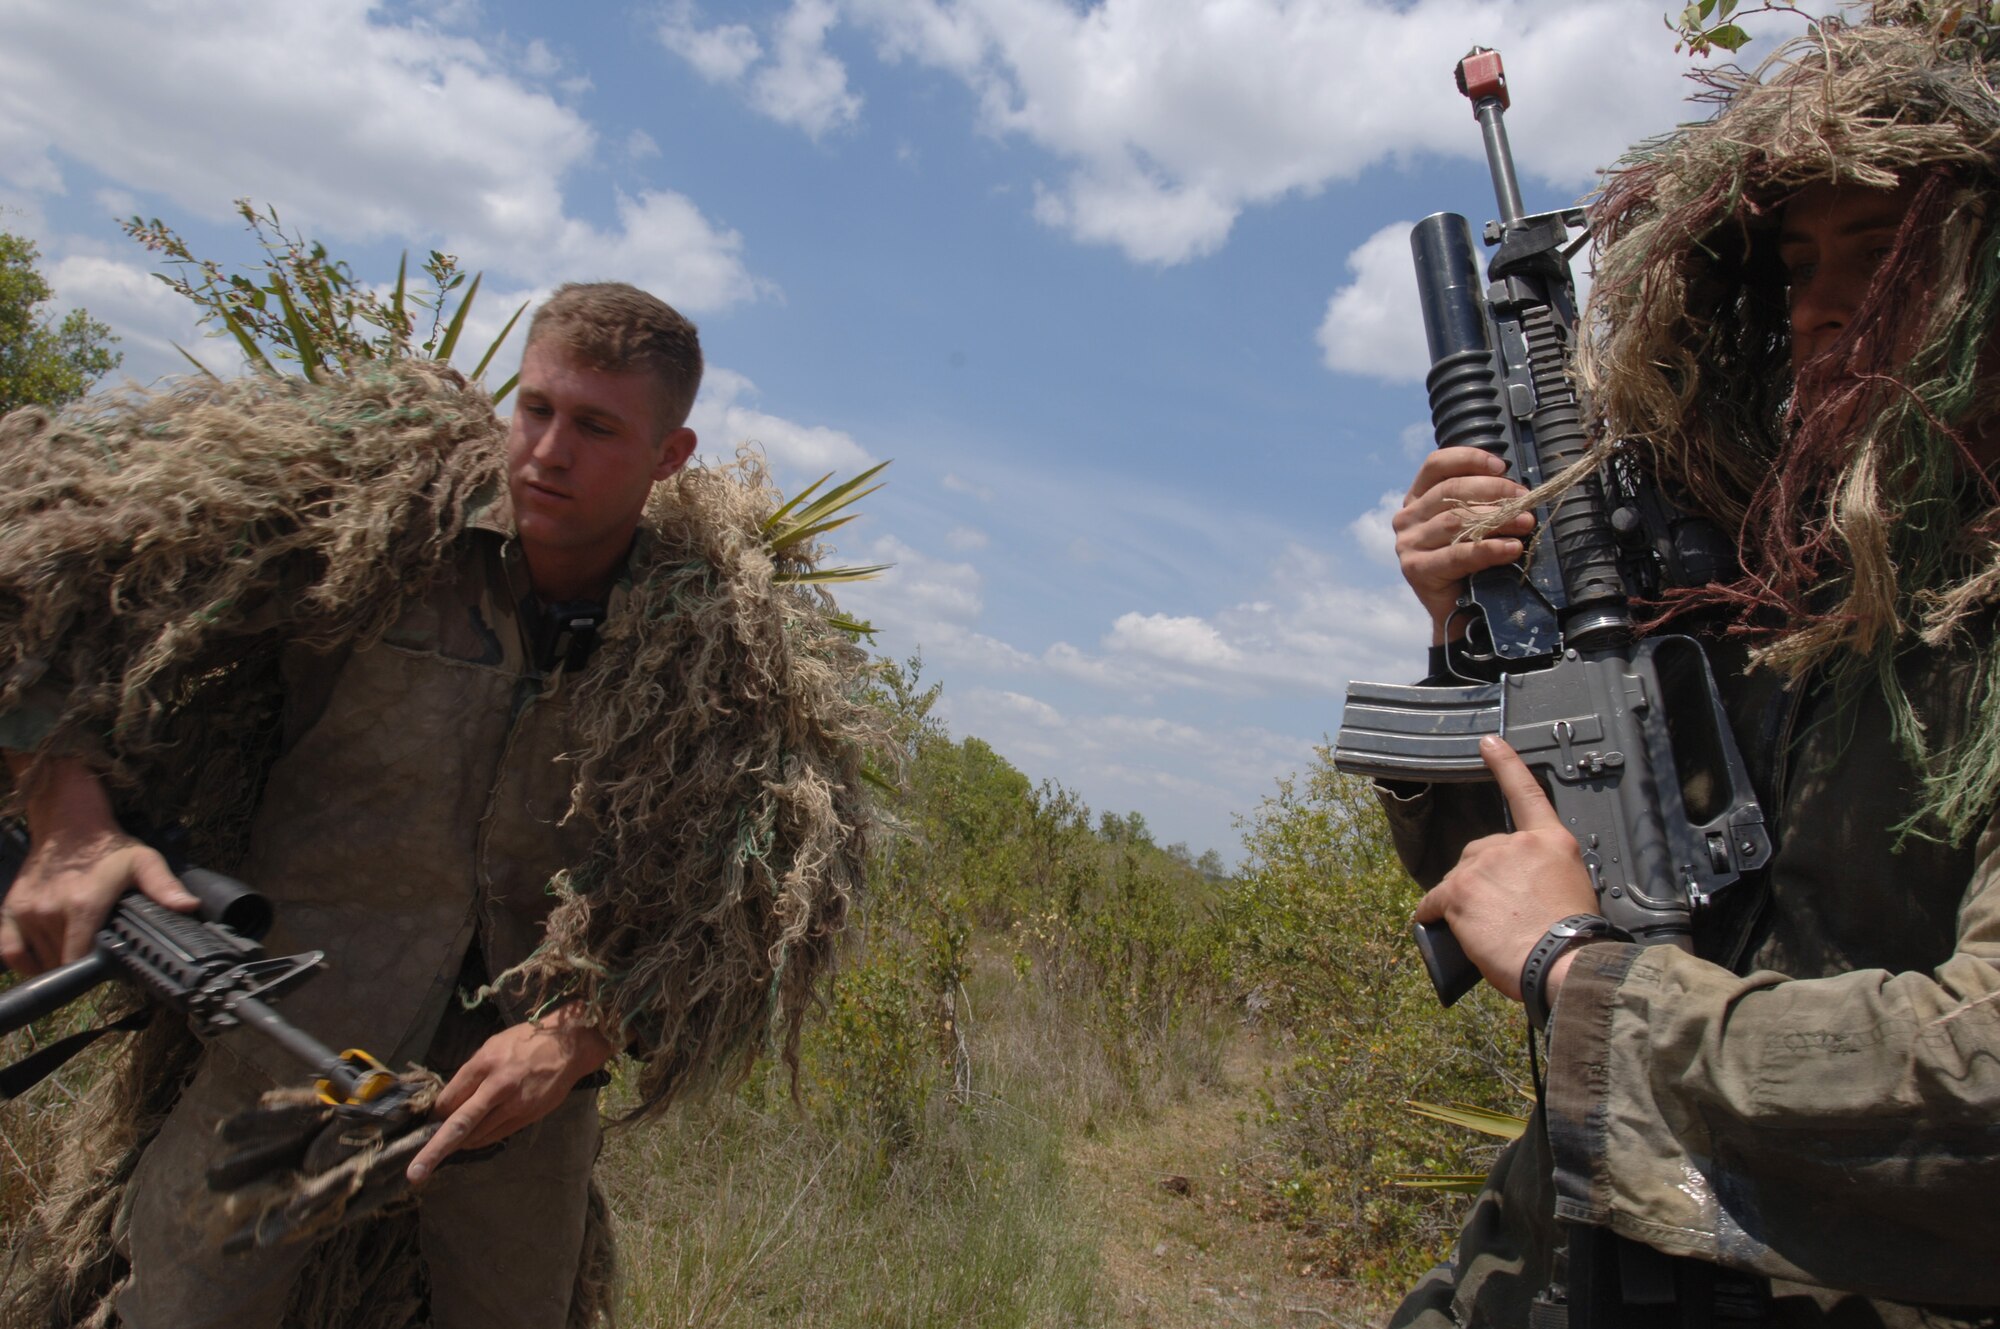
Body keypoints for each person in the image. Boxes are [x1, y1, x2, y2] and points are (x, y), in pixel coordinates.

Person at [0, 283, 876, 1327]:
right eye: (535, 408)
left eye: (595, 428)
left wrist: (576, 1035)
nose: (548, 450)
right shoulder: (373, 526)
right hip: (276, 1041)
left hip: (519, 1109)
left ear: (668, 457)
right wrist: (68, 816)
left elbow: (743, 900)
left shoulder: (710, 645)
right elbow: (62, 563)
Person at [1381, 8, 2000, 1327]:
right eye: (1797, 264)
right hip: (1548, 1250)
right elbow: (1513, 872)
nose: (1827, 302)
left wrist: (1580, 976)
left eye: (1881, 252)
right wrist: (1469, 639)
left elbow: (1976, 1083)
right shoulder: (1772, 577)